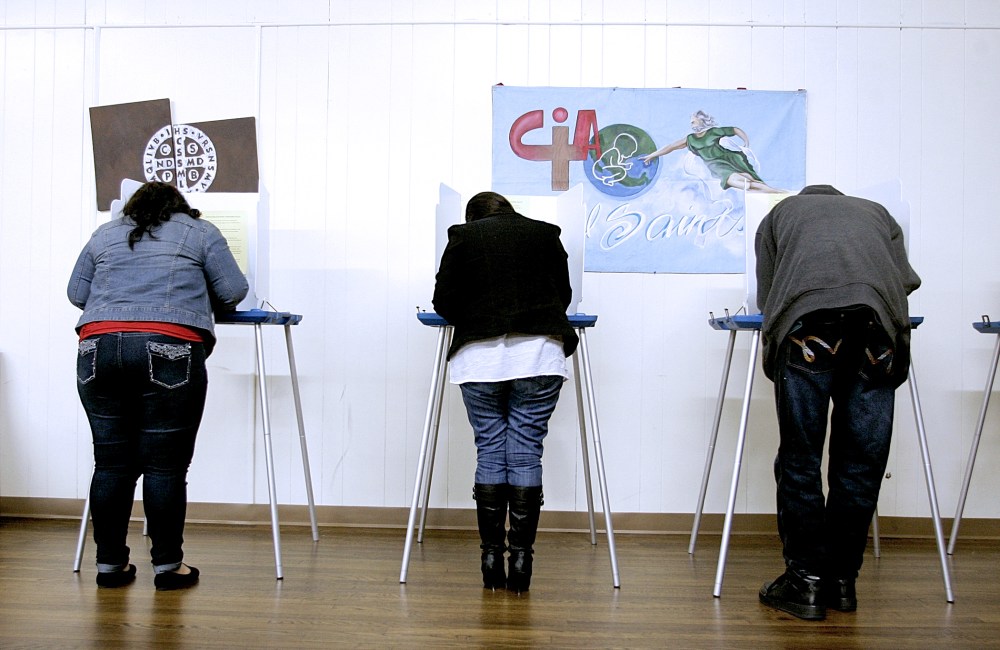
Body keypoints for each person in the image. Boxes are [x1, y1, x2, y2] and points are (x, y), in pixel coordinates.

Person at [68, 181, 248, 590]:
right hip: (169, 348)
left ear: (130, 208)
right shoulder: (200, 232)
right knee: (164, 465)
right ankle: (168, 567)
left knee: (111, 464)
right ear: (180, 206)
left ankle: (110, 566)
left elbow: (76, 292)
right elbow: (234, 290)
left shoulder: (105, 233)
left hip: (98, 349)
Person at [754, 185, 921, 620]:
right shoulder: (878, 212)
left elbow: (768, 297)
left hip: (810, 328)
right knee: (861, 461)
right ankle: (842, 582)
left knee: (801, 457)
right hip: (876, 331)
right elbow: (906, 280)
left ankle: (805, 583)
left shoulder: (779, 215)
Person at [432, 191, 578, 593]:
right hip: (540, 355)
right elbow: (562, 298)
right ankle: (523, 561)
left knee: (491, 447)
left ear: (473, 216)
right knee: (527, 448)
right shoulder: (547, 235)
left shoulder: (463, 237)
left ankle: (491, 556)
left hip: (479, 357)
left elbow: (442, 301)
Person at [640, 110, 784, 193]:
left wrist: (745, 141)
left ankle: (776, 192)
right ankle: (775, 192)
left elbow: (734, 130)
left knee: (749, 180)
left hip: (730, 159)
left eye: (693, 121)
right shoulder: (690, 139)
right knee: (739, 182)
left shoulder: (713, 132)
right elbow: (671, 146)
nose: (691, 124)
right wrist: (652, 155)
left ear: (701, 121)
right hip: (717, 167)